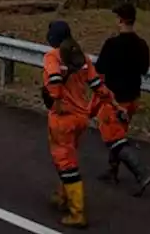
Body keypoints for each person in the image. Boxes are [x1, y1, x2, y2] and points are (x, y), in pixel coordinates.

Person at [41, 19, 124, 228]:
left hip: (63, 118)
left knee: (65, 161)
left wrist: (56, 98)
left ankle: (77, 212)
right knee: (67, 155)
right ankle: (63, 196)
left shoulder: (52, 56)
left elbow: (53, 79)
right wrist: (114, 103)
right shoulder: (82, 57)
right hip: (81, 118)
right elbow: (98, 85)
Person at [93, 2, 150, 195]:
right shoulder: (142, 45)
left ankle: (141, 173)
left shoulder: (112, 44)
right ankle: (112, 171)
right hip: (132, 98)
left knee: (113, 137)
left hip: (114, 100)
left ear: (120, 20)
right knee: (119, 135)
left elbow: (100, 68)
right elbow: (144, 69)